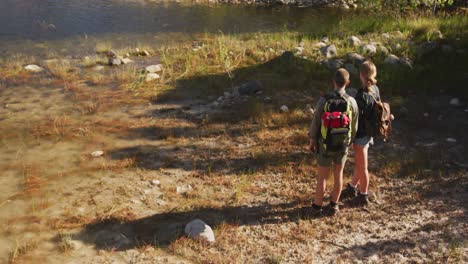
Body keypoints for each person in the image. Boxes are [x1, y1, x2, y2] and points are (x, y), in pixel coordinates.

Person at [308, 69, 359, 216]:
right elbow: (354, 126)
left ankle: (317, 206)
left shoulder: (324, 100)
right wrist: (349, 142)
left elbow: (316, 122)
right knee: (338, 175)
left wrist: (312, 139)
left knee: (322, 177)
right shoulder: (352, 102)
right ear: (347, 83)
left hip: (325, 144)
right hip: (342, 145)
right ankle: (334, 205)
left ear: (333, 81)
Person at [341, 61, 380, 206]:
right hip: (369, 132)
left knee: (363, 167)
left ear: (361, 75)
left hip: (361, 135)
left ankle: (363, 195)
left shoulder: (361, 95)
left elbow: (355, 117)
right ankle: (352, 187)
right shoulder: (375, 89)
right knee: (360, 163)